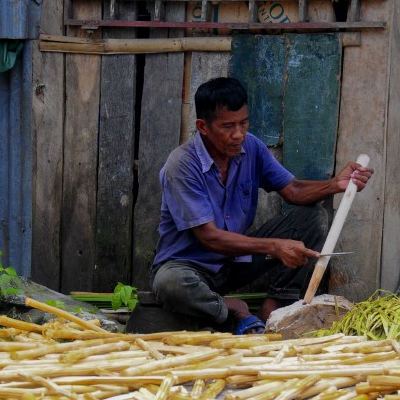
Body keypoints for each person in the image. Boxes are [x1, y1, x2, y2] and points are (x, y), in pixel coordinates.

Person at [150, 77, 373, 334]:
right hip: (189, 268)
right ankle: (232, 309)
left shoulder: (251, 147)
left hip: (235, 262)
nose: (239, 134)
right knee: (169, 284)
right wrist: (275, 246)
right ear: (203, 126)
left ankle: (277, 306)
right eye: (227, 126)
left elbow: (293, 190)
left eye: (244, 123)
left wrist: (336, 184)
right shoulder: (182, 165)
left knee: (313, 219)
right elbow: (209, 238)